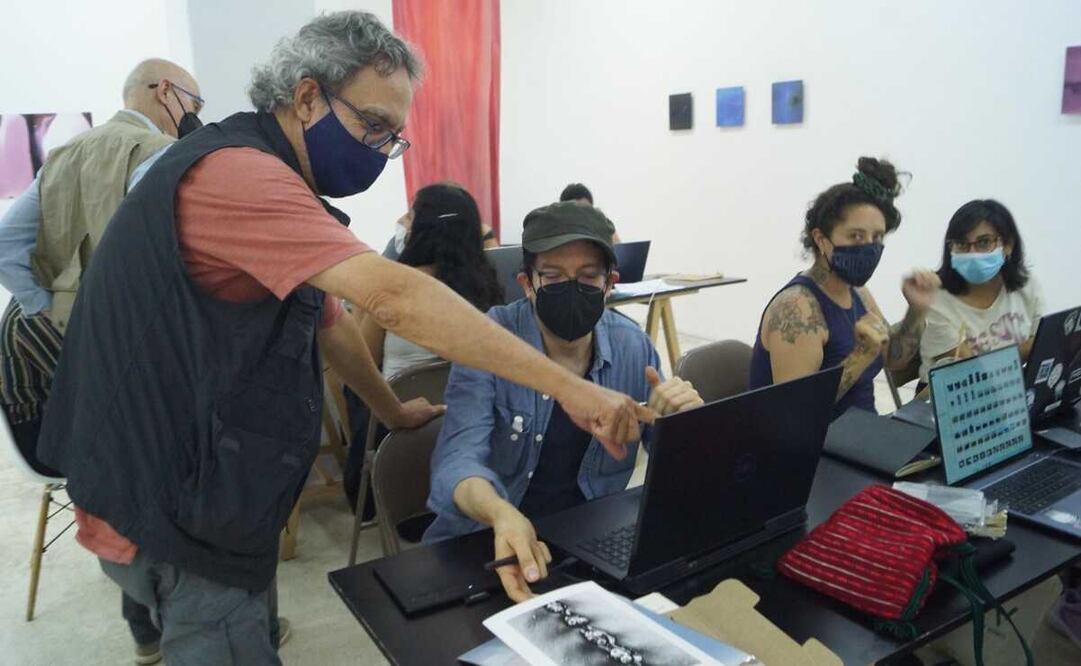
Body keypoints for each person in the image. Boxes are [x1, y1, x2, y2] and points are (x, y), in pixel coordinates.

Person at [36, 13, 651, 665]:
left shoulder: (271, 180)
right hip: (164, 486)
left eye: (394, 136)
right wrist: (569, 389)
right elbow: (391, 295)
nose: (383, 149)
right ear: (306, 98)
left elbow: (326, 321)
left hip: (190, 476)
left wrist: (388, 409)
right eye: (375, 126)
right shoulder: (239, 176)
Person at [0, 57, 204, 666]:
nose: (197, 116)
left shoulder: (65, 153)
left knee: (119, 474)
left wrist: (48, 304)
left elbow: (7, 244)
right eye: (195, 101)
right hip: (130, 358)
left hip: (57, 384)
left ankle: (147, 628)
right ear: (166, 92)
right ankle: (176, 623)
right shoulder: (159, 155)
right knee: (169, 470)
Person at [424, 202, 702, 602]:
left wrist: (683, 426)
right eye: (552, 276)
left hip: (587, 545)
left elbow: (668, 464)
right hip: (483, 545)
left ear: (610, 284)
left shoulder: (632, 347)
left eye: (589, 277)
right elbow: (456, 463)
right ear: (526, 282)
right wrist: (501, 513)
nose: (572, 289)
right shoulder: (486, 342)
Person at [343, 181, 504, 511]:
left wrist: (362, 305)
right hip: (472, 430)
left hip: (402, 439)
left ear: (422, 226)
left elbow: (363, 361)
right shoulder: (489, 285)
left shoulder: (394, 284)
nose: (404, 221)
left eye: (410, 215)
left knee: (349, 388)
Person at [748, 157, 940, 420]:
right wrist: (860, 355)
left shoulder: (857, 292)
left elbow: (893, 359)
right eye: (856, 236)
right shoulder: (797, 308)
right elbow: (795, 414)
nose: (870, 247)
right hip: (813, 452)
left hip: (860, 437)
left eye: (877, 237)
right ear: (821, 239)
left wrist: (916, 311)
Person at [918, 199, 1043, 381]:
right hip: (950, 395)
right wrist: (1029, 348)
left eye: (984, 242)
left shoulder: (1027, 286)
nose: (972, 253)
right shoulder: (935, 297)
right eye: (962, 244)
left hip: (1008, 388)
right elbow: (969, 367)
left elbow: (1046, 342)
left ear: (1008, 245)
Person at [383, 182, 499, 260]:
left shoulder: (477, 237)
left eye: (409, 216)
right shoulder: (398, 243)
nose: (401, 220)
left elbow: (498, 266)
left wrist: (484, 236)